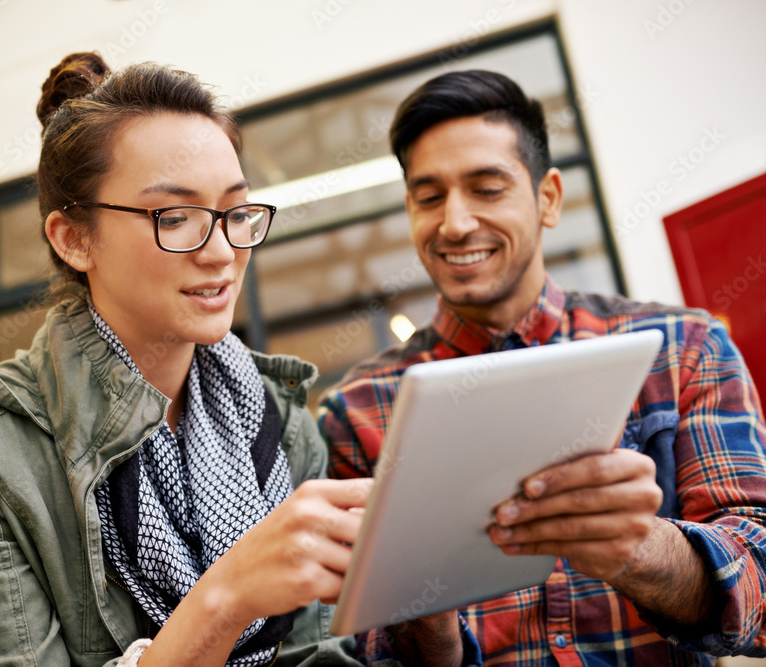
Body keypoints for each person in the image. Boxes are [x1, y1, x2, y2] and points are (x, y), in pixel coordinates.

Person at [0, 51, 373, 667]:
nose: (220, 253)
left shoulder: (277, 416)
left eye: (235, 213)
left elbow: (323, 653)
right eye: (175, 217)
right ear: (74, 239)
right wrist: (226, 597)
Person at [318, 69, 766, 666]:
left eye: (487, 188)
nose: (454, 223)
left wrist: (640, 548)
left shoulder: (683, 349)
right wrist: (421, 606)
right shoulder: (356, 410)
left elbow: (759, 579)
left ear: (548, 198)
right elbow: (352, 647)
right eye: (429, 197)